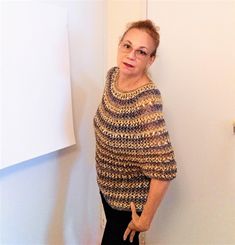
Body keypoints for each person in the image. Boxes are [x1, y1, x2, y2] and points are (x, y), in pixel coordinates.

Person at [93, 19, 177, 245]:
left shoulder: (146, 102)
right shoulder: (113, 77)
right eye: (127, 46)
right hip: (109, 188)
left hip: (128, 205)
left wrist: (145, 219)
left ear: (151, 59)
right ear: (119, 45)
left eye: (141, 52)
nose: (131, 55)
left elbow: (164, 167)